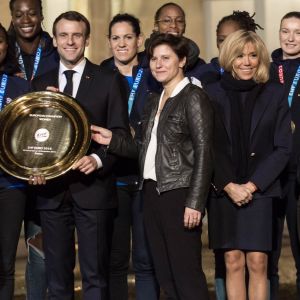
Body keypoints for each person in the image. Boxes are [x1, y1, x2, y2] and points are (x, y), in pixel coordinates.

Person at [91, 33, 213, 300]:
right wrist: (113, 141)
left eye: (165, 58)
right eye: (154, 59)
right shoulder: (154, 99)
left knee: (186, 275)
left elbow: (205, 152)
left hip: (179, 194)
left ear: (182, 61)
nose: (158, 64)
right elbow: (145, 151)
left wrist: (195, 202)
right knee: (166, 275)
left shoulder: (193, 97)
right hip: (152, 193)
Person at [30, 11, 129, 299]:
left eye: (76, 35)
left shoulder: (108, 79)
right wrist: (33, 168)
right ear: (55, 40)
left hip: (93, 191)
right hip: (52, 193)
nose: (70, 41)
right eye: (63, 35)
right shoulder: (41, 83)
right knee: (57, 278)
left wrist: (97, 159)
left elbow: (119, 135)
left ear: (86, 40)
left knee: (95, 276)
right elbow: (32, 138)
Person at [205, 30, 291, 300]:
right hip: (224, 190)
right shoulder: (211, 94)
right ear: (229, 57)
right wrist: (229, 185)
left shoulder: (275, 94)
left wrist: (252, 186)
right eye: (240, 55)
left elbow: (283, 148)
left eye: (253, 55)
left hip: (261, 191)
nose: (247, 61)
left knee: (258, 262)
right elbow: (207, 146)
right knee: (232, 261)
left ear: (261, 59)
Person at [100, 13, 159, 300]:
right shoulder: (98, 74)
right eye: (115, 38)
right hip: (114, 179)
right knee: (116, 260)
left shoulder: (155, 73)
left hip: (148, 178)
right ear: (108, 42)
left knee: (147, 261)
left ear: (139, 40)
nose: (122, 43)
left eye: (128, 37)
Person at [8, 1, 59, 298]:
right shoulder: (3, 52)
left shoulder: (55, 51)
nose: (26, 19)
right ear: (12, 17)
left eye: (32, 13)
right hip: (10, 165)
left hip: (45, 161)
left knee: (39, 245)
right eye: (19, 14)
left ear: (41, 15)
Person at [268, 11, 300, 300]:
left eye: (298, 32)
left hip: (298, 174)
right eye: (285, 31)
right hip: (272, 175)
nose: (290, 38)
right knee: (269, 252)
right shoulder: (266, 68)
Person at [0, 23, 29, 300]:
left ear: (6, 45)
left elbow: (32, 134)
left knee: (5, 263)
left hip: (10, 184)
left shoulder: (20, 85)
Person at [198, 11, 262, 87]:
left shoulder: (261, 73)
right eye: (221, 40)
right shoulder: (201, 74)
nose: (226, 45)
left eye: (233, 40)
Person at [143, 2, 205, 80]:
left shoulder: (200, 66)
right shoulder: (142, 61)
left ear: (185, 27)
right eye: (166, 20)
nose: (173, 25)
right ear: (156, 26)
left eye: (179, 21)